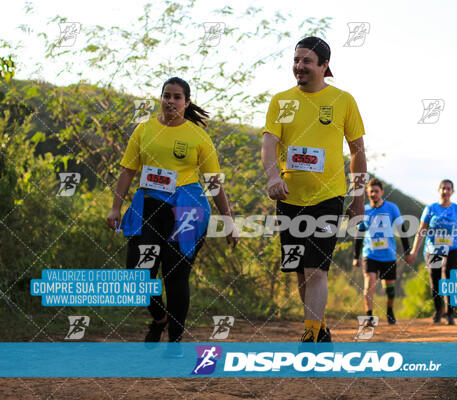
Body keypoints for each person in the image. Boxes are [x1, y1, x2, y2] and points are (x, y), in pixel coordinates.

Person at [106, 77, 238, 352]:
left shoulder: (198, 137)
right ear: (160, 98)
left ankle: (175, 342)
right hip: (149, 207)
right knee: (136, 276)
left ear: (186, 102)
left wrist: (228, 220)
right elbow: (128, 171)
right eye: (166, 95)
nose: (170, 101)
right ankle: (160, 317)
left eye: (177, 97)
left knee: (175, 276)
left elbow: (213, 181)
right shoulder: (144, 130)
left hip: (188, 209)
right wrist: (116, 207)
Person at [262, 36, 367, 342]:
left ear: (324, 66)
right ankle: (319, 329)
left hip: (329, 196)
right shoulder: (282, 101)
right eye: (296, 60)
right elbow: (269, 143)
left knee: (316, 270)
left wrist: (357, 196)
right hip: (289, 197)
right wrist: (272, 177)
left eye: (307, 61)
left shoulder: (343, 101)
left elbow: (357, 151)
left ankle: (309, 336)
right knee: (299, 270)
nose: (299, 66)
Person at [405, 179, 457, 325]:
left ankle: (450, 313)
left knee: (449, 277)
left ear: (452, 192)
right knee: (435, 279)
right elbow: (421, 230)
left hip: (454, 248)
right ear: (439, 191)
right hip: (434, 249)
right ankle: (439, 310)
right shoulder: (430, 209)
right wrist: (414, 251)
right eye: (443, 188)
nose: (446, 191)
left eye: (448, 189)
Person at [352, 178, 410, 325]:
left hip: (388, 255)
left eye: (376, 191)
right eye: (371, 191)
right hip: (369, 254)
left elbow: (402, 230)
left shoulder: (392, 208)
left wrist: (407, 252)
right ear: (367, 192)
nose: (373, 194)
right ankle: (369, 316)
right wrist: (355, 256)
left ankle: (390, 311)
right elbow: (359, 235)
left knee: (389, 288)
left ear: (382, 192)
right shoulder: (364, 211)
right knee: (369, 283)